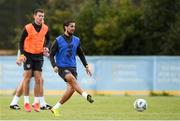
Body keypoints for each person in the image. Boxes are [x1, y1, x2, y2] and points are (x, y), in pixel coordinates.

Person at [49, 20, 94, 117]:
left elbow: (81, 54)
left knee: (71, 89)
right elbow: (51, 55)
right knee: (70, 78)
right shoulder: (58, 40)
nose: (73, 28)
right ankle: (85, 95)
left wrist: (86, 66)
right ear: (65, 27)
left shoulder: (77, 40)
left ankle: (55, 108)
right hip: (62, 67)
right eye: (71, 26)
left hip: (73, 67)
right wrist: (54, 65)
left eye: (74, 26)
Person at [19, 8, 50, 112]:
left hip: (39, 56)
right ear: (34, 16)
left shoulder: (45, 28)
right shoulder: (27, 27)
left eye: (42, 16)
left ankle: (36, 102)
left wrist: (46, 46)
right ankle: (26, 102)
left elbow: (48, 39)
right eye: (39, 16)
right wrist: (22, 54)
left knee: (38, 79)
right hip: (28, 55)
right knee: (27, 78)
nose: (41, 18)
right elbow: (21, 41)